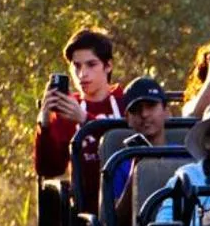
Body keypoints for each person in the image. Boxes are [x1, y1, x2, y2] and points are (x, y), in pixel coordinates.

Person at [34, 27, 124, 188]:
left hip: (129, 204)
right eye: (77, 66)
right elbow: (49, 169)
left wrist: (85, 120)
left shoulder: (125, 102)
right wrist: (44, 124)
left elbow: (132, 149)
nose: (82, 74)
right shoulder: (66, 111)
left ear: (108, 66)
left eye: (91, 65)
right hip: (85, 209)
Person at [106, 75, 174, 209]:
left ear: (166, 112)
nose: (144, 114)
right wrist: (135, 172)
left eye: (151, 106)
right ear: (128, 118)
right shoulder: (119, 163)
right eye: (136, 109)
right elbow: (116, 221)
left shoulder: (184, 155)